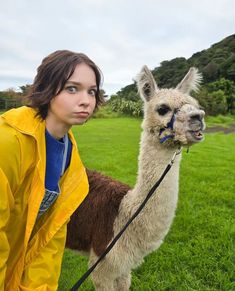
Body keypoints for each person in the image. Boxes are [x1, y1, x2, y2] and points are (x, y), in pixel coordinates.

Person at [0, 50, 103, 290]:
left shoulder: (70, 154)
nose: (86, 100)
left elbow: (50, 236)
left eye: (92, 91)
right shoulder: (8, 141)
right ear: (47, 87)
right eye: (72, 88)